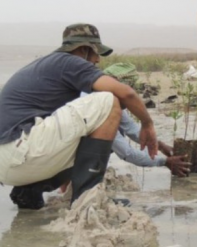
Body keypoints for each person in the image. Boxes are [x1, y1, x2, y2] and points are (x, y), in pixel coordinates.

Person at [0, 23, 158, 210]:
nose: (98, 60)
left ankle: (29, 190)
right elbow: (126, 93)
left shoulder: (44, 66)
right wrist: (148, 124)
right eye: (96, 53)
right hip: (23, 149)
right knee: (108, 101)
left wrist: (68, 176)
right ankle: (87, 198)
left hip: (10, 163)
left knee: (89, 133)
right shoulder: (69, 62)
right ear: (83, 49)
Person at [101, 63, 191, 177]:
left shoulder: (113, 100)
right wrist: (164, 162)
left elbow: (132, 129)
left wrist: (160, 146)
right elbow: (127, 153)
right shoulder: (102, 108)